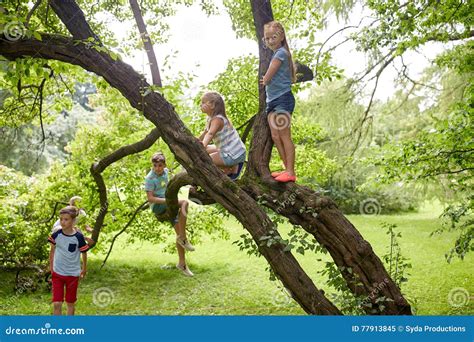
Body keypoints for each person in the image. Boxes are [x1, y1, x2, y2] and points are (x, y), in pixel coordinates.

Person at [145, 152, 195, 277]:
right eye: (155, 165)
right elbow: (150, 198)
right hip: (158, 205)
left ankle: (182, 264)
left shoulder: (166, 172)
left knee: (178, 231)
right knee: (184, 203)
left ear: (164, 165)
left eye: (160, 165)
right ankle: (183, 238)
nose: (157, 168)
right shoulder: (150, 178)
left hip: (168, 202)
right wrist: (167, 200)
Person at [260, 21, 297, 182]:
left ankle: (290, 170)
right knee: (275, 135)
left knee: (284, 135)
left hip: (283, 99)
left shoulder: (281, 53)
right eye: (266, 39)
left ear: (281, 36)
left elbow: (268, 76)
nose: (270, 41)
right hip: (271, 102)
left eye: (273, 37)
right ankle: (285, 169)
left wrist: (265, 80)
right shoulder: (277, 53)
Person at [48, 206, 89, 315]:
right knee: (57, 303)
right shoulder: (56, 235)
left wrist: (84, 269)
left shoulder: (79, 237)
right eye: (61, 219)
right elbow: (52, 251)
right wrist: (51, 267)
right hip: (58, 273)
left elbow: (84, 253)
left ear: (73, 221)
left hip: (72, 274)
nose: (62, 222)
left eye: (66, 219)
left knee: (70, 303)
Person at [198, 91, 246, 180]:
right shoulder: (210, 119)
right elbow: (205, 133)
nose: (201, 105)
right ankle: (230, 167)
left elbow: (210, 134)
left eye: (204, 102)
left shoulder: (217, 120)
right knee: (205, 150)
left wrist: (203, 145)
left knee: (205, 160)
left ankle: (230, 167)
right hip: (233, 150)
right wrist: (197, 141)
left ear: (212, 105)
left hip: (233, 153)